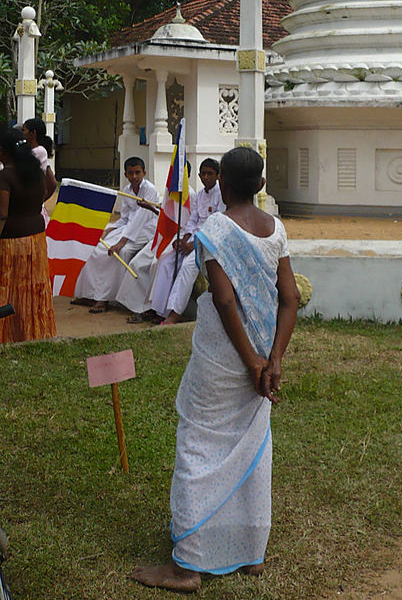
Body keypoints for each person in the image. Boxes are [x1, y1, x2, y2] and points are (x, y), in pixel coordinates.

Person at [131, 147, 300, 593]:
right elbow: (291, 298)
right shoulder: (277, 230)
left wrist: (251, 363)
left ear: (220, 181)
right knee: (254, 447)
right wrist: (273, 360)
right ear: (261, 186)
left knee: (197, 446)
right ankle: (251, 554)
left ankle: (187, 566)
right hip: (262, 357)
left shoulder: (214, 230)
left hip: (225, 360)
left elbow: (224, 302)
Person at [73, 157, 159, 314]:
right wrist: (107, 230)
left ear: (144, 173)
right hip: (128, 228)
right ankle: (89, 294)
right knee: (97, 248)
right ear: (125, 174)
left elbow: (141, 219)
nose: (134, 177)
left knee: (119, 252)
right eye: (131, 173)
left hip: (146, 230)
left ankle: (105, 298)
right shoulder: (126, 191)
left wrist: (122, 241)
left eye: (137, 173)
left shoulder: (150, 190)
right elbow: (125, 218)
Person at [148, 158, 225, 325]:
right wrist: (183, 240)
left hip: (209, 241)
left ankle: (174, 314)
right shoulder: (199, 195)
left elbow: (216, 225)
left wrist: (194, 244)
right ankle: (160, 310)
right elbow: (192, 221)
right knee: (166, 260)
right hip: (192, 238)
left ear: (218, 176)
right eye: (203, 174)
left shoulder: (222, 195)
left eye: (210, 174)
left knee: (187, 268)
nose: (206, 177)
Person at [118, 162, 196, 321]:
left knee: (156, 264)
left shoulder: (191, 195)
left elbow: (189, 223)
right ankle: (138, 305)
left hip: (179, 236)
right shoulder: (170, 192)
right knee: (137, 264)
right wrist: (150, 207)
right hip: (164, 234)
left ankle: (155, 308)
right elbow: (164, 216)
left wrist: (184, 239)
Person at [0, 125, 56, 343]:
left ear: (4, 151)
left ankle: (8, 336)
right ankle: (35, 333)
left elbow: (2, 215)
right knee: (33, 290)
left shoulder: (5, 176)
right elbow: (47, 189)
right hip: (36, 240)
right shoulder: (34, 172)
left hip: (12, 243)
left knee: (9, 288)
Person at [22, 117, 58, 222]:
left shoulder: (39, 151)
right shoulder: (33, 151)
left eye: (24, 130)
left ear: (33, 133)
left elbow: (52, 183)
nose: (22, 133)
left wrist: (38, 200)